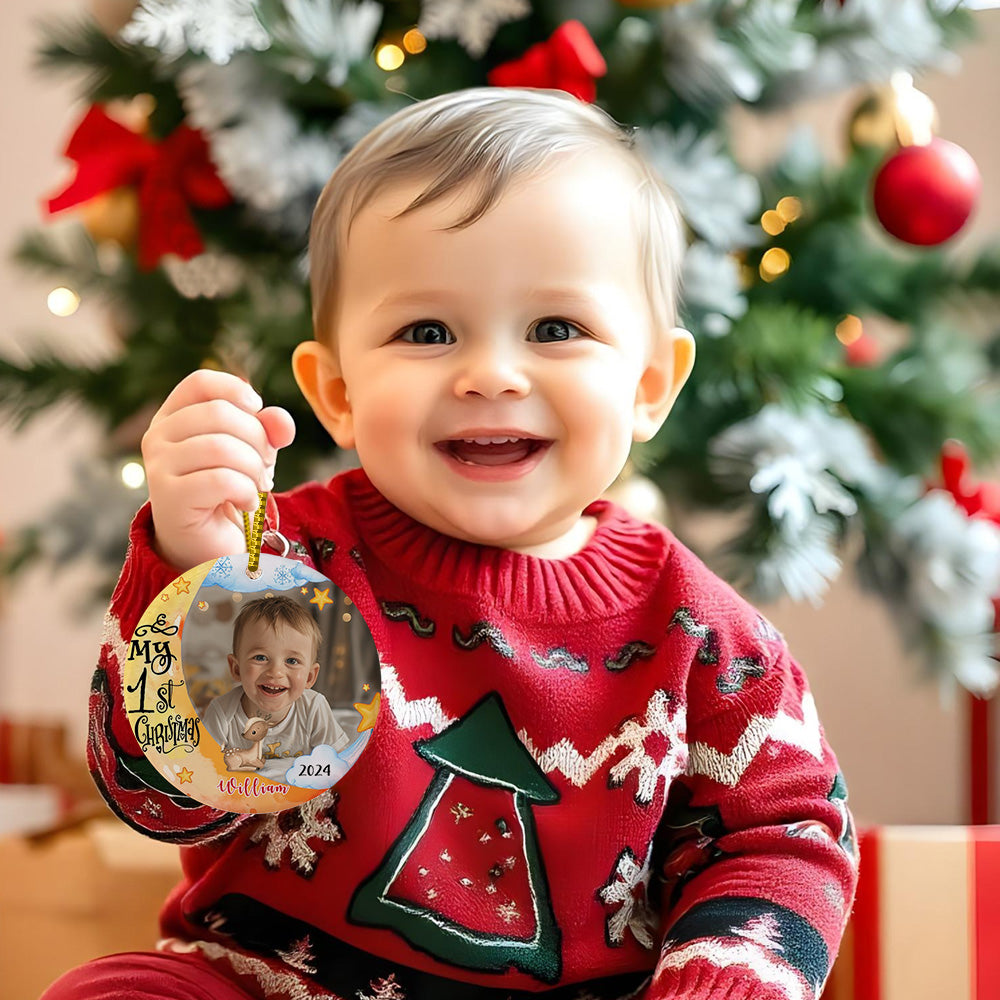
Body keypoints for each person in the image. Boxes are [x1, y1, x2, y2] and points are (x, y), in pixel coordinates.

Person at [46, 87, 858, 1000]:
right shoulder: (283, 568)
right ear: (339, 392)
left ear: (649, 382)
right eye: (427, 331)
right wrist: (196, 569)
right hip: (273, 980)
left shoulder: (705, 639)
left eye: (556, 328)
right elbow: (157, 801)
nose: (490, 375)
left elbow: (780, 840)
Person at [200, 596, 351, 767]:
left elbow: (339, 764)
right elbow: (204, 767)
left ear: (309, 677)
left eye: (292, 661)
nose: (276, 672)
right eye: (260, 657)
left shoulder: (314, 708)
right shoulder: (222, 713)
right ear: (236, 669)